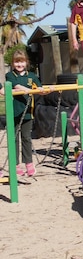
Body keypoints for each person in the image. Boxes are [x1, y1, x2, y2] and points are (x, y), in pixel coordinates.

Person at [5, 46, 48, 177]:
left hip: (27, 111)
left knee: (26, 138)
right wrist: (27, 90)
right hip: (14, 111)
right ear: (13, 63)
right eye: (17, 62)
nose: (19, 64)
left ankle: (28, 163)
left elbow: (40, 88)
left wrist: (46, 89)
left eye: (22, 61)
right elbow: (16, 86)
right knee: (14, 139)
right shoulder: (10, 75)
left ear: (26, 62)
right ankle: (15, 164)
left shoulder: (32, 76)